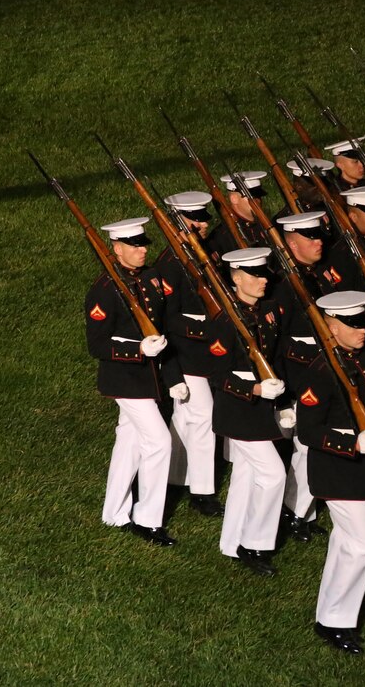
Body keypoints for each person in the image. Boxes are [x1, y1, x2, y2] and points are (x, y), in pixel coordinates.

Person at [296, 291, 365, 655]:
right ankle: (335, 620)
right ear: (331, 328)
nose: (361, 330)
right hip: (337, 471)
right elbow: (307, 430)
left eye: (362, 322)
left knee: (347, 544)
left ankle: (330, 612)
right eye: (351, 325)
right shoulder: (320, 373)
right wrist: (350, 445)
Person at [86, 217, 175, 546]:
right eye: (134, 246)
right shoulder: (104, 290)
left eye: (143, 244)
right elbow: (96, 345)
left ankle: (114, 512)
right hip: (124, 378)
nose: (142, 250)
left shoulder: (151, 276)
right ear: (116, 248)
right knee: (159, 443)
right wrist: (136, 348)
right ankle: (148, 519)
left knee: (129, 444)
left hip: (149, 378)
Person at [206, 247, 288, 576]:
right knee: (273, 475)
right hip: (238, 413)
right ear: (236, 280)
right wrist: (254, 389)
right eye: (254, 276)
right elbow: (218, 375)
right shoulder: (224, 323)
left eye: (264, 274)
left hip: (263, 410)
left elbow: (276, 357)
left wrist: (283, 400)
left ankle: (230, 541)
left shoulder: (267, 313)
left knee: (246, 477)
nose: (262, 281)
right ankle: (254, 543)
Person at [272, 211, 339, 542]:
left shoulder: (321, 276)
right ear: (291, 243)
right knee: (307, 448)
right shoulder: (283, 288)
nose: (319, 242)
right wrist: (287, 394)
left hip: (326, 372)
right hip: (301, 378)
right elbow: (277, 342)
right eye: (310, 238)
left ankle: (301, 509)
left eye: (319, 236)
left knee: (311, 448)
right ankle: (294, 511)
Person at [157, 192, 223, 516]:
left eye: (204, 217)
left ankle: (170, 478)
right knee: (202, 419)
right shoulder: (169, 264)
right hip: (185, 353)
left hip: (210, 352)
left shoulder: (207, 253)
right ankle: (202, 491)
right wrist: (207, 326)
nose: (201, 224)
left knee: (186, 420)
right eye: (193, 219)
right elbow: (165, 319)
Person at [208, 170, 270, 257]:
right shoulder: (223, 236)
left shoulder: (264, 225)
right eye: (251, 197)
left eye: (258, 196)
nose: (258, 201)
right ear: (234, 199)